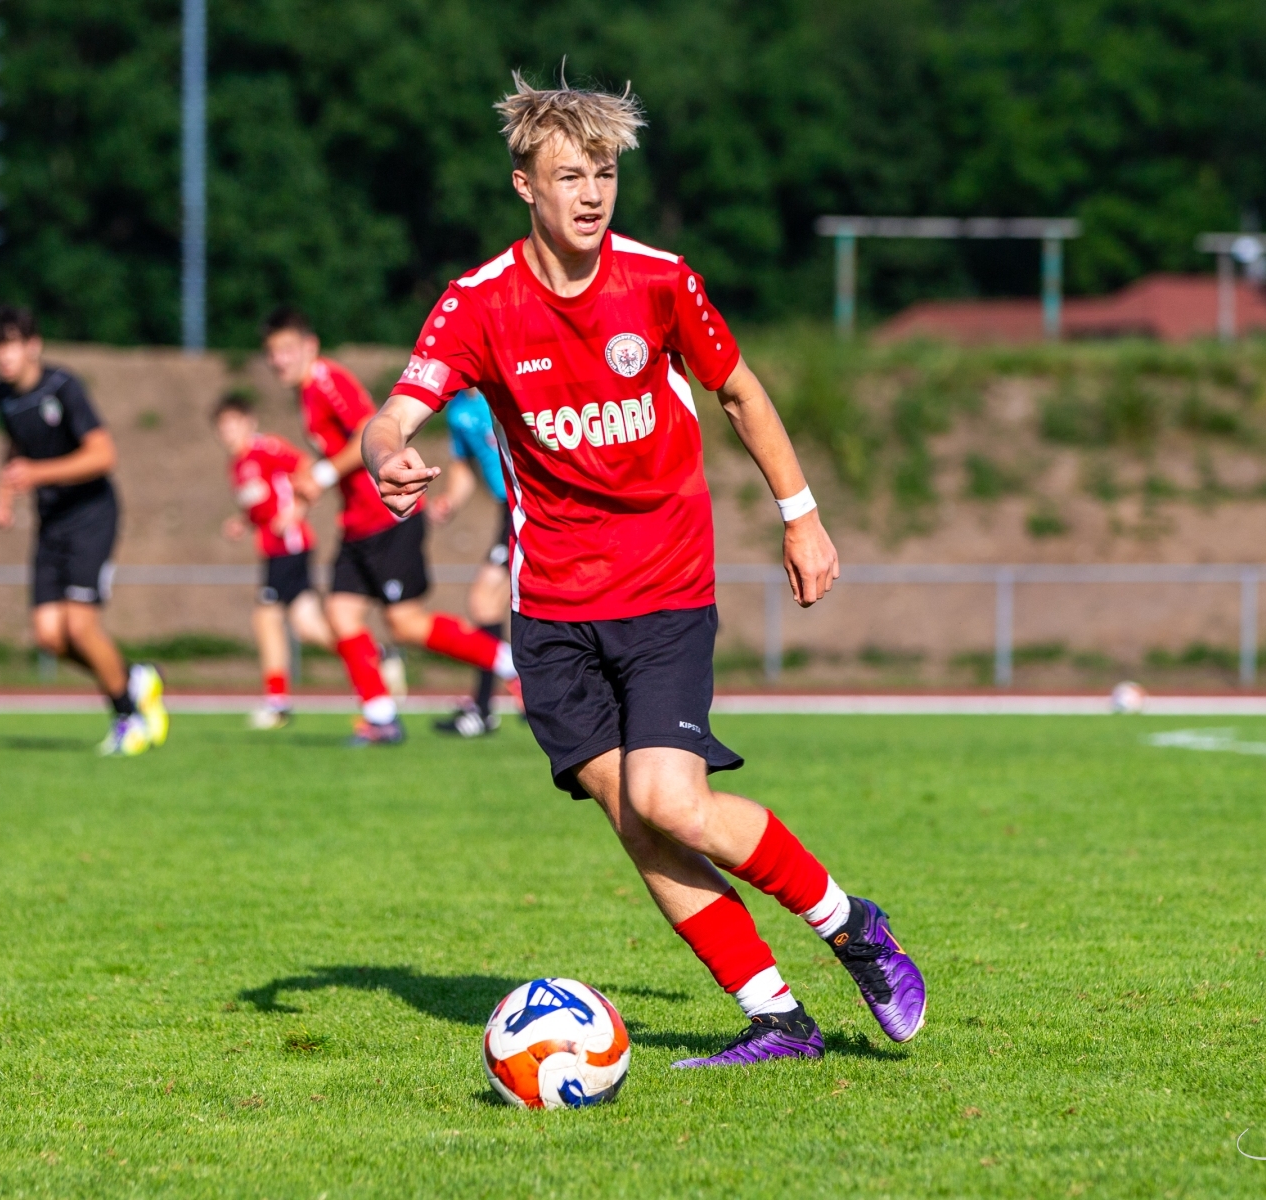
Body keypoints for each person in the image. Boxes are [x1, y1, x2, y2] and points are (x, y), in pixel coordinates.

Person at [362, 75, 924, 1066]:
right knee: (635, 818)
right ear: (523, 185)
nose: (592, 194)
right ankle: (778, 1021)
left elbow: (741, 394)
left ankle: (850, 926)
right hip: (552, 612)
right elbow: (398, 408)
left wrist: (801, 518)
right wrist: (386, 454)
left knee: (670, 800)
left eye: (606, 174)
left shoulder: (660, 281)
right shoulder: (479, 304)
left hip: (664, 584)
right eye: (569, 175)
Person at [261, 308, 520, 746]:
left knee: (405, 623)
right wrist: (303, 500)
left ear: (310, 346)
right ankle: (381, 717)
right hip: (357, 523)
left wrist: (322, 475)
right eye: (272, 353)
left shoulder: (326, 380)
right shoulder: (306, 394)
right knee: (341, 614)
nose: (278, 361)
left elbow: (367, 428)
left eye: (287, 350)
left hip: (388, 516)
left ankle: (510, 664)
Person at [0, 305, 169, 756]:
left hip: (91, 515)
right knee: (49, 635)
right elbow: (15, 447)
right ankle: (133, 678)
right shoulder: (1, 394)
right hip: (51, 522)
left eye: (11, 344)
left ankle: (128, 717)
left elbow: (104, 456)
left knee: (81, 627)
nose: (4, 355)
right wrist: (4, 500)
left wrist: (39, 474)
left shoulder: (63, 387)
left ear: (34, 346)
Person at [212, 393, 337, 729]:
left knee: (265, 618)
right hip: (273, 549)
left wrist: (296, 511)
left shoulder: (266, 448)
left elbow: (307, 468)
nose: (228, 432)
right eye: (222, 427)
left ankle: (277, 703)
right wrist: (243, 522)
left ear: (249, 422)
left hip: (290, 544)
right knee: (307, 626)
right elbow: (262, 504)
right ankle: (372, 655)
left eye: (233, 424)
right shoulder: (237, 465)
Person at [425, 387, 513, 737]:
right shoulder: (458, 410)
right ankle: (485, 708)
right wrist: (449, 501)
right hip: (509, 511)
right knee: (487, 605)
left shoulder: (506, 387)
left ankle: (500, 697)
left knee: (487, 600)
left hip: (536, 505)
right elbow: (463, 466)